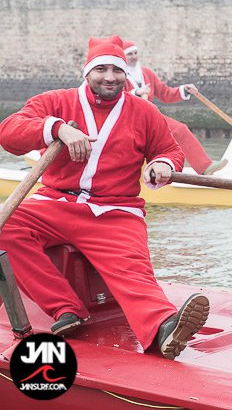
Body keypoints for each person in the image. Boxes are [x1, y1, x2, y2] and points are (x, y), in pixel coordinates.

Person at [0, 36, 209, 360]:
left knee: (131, 268)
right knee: (4, 226)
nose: (110, 76)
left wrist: (161, 165)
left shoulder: (144, 111)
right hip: (56, 202)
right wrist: (57, 129)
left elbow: (169, 150)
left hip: (116, 209)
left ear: (126, 74)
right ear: (87, 72)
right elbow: (9, 131)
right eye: (101, 69)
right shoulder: (56, 101)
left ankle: (164, 328)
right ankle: (65, 307)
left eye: (117, 69)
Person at [122, 40, 227, 176]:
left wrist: (184, 89)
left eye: (136, 53)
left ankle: (205, 166)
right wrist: (136, 93)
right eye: (130, 54)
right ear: (123, 57)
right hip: (128, 117)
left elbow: (165, 93)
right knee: (174, 131)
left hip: (149, 115)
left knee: (180, 129)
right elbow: (116, 96)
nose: (134, 56)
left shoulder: (146, 73)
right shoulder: (120, 75)